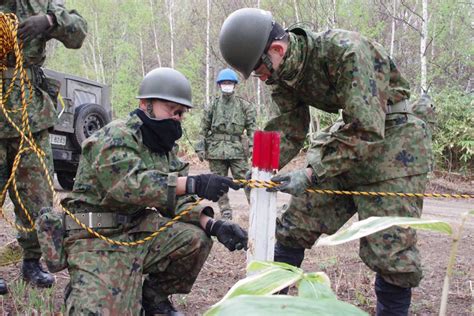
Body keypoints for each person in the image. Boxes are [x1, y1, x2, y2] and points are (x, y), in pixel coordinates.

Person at [219, 8, 433, 316]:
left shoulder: (346, 52)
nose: (262, 78)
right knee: (292, 226)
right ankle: (271, 307)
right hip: (348, 143)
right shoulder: (282, 74)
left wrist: (310, 172)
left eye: (260, 70)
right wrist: (258, 173)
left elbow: (367, 128)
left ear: (277, 50)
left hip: (394, 147)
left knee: (392, 254)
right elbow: (288, 128)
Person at [57, 67, 247, 315]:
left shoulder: (163, 147)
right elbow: (128, 186)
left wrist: (213, 225)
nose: (177, 118)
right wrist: (192, 182)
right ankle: (86, 284)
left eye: (181, 113)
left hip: (135, 231)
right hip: (94, 237)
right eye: (171, 110)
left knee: (195, 239)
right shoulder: (115, 135)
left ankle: (153, 297)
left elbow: (179, 201)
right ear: (146, 104)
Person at [0, 0, 87, 293]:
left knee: (36, 196)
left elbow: (78, 33)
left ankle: (31, 262)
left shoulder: (38, 4)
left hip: (31, 117)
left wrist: (49, 21)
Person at [195, 68, 256, 220]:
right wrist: (200, 147)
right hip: (216, 150)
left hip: (237, 151)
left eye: (229, 83)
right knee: (218, 182)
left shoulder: (244, 106)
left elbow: (252, 129)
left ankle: (255, 207)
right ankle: (225, 211)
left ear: (235, 85)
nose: (227, 85)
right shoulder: (212, 106)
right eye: (224, 83)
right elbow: (203, 129)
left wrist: (252, 146)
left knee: (246, 180)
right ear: (219, 85)